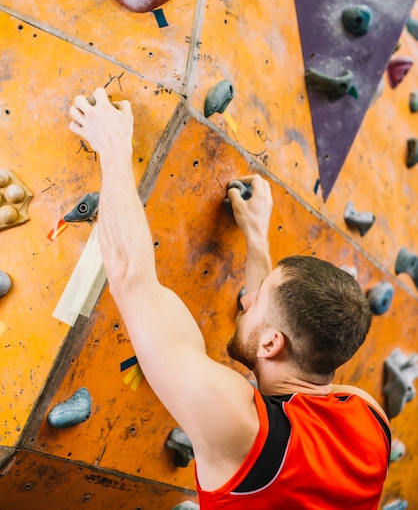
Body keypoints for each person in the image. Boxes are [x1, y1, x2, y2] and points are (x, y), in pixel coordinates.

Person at [69, 88, 391, 509]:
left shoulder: (238, 428)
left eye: (256, 302)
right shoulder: (366, 417)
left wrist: (112, 150)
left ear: (274, 342)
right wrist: (257, 240)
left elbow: (131, 277)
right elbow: (273, 352)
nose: (245, 300)